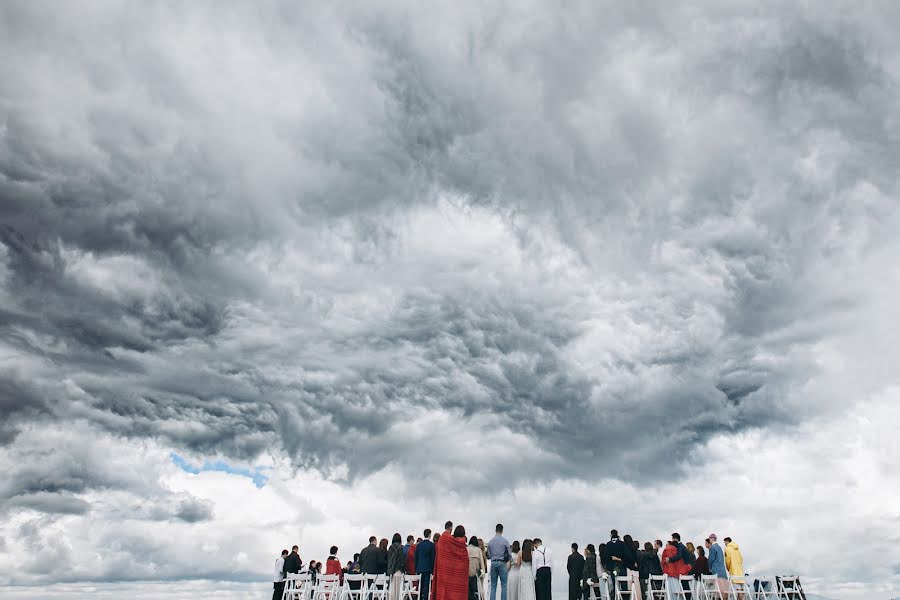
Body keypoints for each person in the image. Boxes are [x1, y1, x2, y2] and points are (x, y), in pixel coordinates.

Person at [434, 524, 470, 600]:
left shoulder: (446, 540)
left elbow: (442, 558)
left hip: (447, 578)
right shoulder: (464, 548)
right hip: (459, 580)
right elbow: (466, 564)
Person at [487, 524, 511, 600]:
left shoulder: (490, 542)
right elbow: (509, 554)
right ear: (502, 530)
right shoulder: (505, 541)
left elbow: (489, 555)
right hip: (502, 563)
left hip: (493, 563)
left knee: (493, 585)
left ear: (495, 530)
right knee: (504, 585)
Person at [417, 529, 436, 600]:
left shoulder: (419, 545)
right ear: (429, 535)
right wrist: (433, 569)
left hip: (419, 568)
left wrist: (416, 567)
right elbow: (432, 558)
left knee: (420, 585)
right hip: (428, 568)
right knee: (426, 586)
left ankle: (420, 597)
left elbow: (416, 557)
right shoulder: (431, 545)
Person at [468, 536, 486, 600]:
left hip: (466, 576)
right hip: (475, 576)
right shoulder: (478, 550)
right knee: (476, 595)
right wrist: (482, 577)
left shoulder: (466, 549)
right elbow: (482, 566)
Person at [388, 533, 406, 600]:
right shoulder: (401, 547)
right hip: (398, 571)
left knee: (392, 591)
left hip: (391, 571)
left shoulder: (390, 547)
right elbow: (401, 560)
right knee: (398, 591)